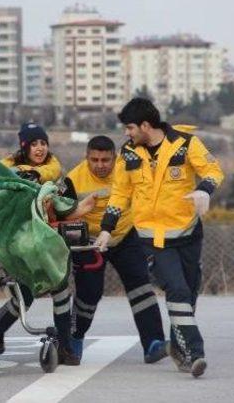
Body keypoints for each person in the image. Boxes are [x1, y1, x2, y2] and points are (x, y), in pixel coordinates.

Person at [95, 98, 224, 378]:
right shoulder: (128, 154)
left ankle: (178, 348)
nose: (127, 133)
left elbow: (213, 170)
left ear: (145, 125)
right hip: (152, 237)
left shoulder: (186, 143)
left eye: (130, 127)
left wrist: (205, 190)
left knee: (188, 294)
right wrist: (107, 227)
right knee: (176, 290)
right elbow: (120, 194)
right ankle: (195, 352)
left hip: (188, 233)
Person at [0, 122, 83, 365]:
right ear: (23, 147)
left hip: (50, 241)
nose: (39, 148)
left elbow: (61, 192)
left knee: (60, 289)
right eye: (34, 144)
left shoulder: (55, 171)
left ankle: (65, 346)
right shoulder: (8, 171)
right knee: (26, 293)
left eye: (43, 143)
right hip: (21, 242)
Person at [63, 135, 167, 363]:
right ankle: (74, 340)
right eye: (95, 160)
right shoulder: (73, 179)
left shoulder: (128, 171)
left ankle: (153, 343)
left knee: (141, 287)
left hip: (124, 236)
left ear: (115, 158)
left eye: (106, 160)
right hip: (89, 241)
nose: (100, 165)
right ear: (87, 158)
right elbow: (62, 215)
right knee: (89, 295)